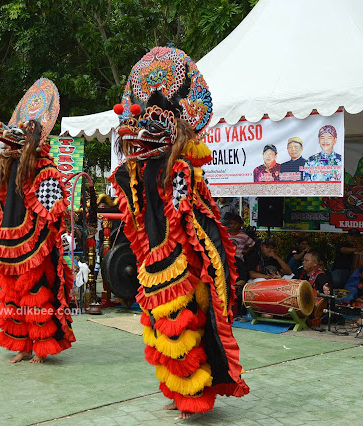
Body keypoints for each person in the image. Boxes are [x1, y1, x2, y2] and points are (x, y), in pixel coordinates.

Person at [110, 48, 248, 417]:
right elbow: (135, 202)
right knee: (161, 331)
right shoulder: (141, 169)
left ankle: (195, 396)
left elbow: (194, 219)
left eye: (155, 129)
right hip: (154, 262)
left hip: (184, 265)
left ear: (174, 129)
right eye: (144, 128)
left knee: (185, 330)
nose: (145, 136)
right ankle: (177, 389)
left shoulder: (183, 168)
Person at [0, 78, 75, 364]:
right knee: (12, 297)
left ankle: (41, 346)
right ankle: (23, 346)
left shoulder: (45, 167)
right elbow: (0, 200)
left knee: (36, 295)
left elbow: (52, 211)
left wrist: (46, 244)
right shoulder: (8, 166)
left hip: (36, 244)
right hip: (11, 239)